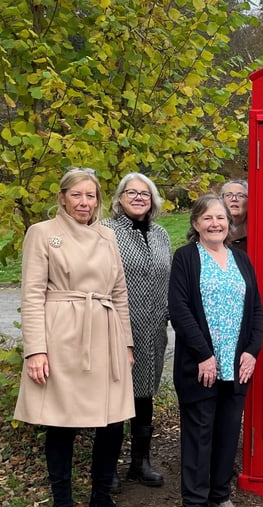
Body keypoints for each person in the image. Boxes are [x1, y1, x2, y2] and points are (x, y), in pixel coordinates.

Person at [14, 168, 135, 507]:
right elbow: (32, 294)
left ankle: (100, 498)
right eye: (77, 195)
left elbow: (119, 291)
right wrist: (35, 350)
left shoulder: (107, 235)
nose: (85, 202)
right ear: (63, 197)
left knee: (114, 420)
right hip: (63, 333)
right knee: (62, 421)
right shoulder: (43, 233)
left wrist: (127, 342)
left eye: (91, 196)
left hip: (106, 332)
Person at [169, 193, 263, 507]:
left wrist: (252, 351)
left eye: (221, 218)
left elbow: (256, 310)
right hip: (201, 365)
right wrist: (204, 354)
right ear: (196, 224)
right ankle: (192, 506)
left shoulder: (241, 259)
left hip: (236, 365)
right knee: (199, 434)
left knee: (226, 434)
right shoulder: (186, 259)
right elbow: (179, 310)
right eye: (207, 218)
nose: (215, 223)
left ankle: (218, 497)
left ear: (229, 223)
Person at [103, 173, 172, 490]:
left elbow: (169, 279)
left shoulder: (160, 234)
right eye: (131, 192)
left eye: (145, 193)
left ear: (153, 200)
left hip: (154, 327)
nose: (139, 197)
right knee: (115, 397)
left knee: (145, 395)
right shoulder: (105, 230)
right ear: (119, 198)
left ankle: (140, 463)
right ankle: (109, 468)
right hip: (117, 326)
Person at [221, 179, 249, 252]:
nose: (234, 199)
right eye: (228, 195)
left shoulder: (259, 230)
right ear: (222, 200)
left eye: (240, 196)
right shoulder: (213, 227)